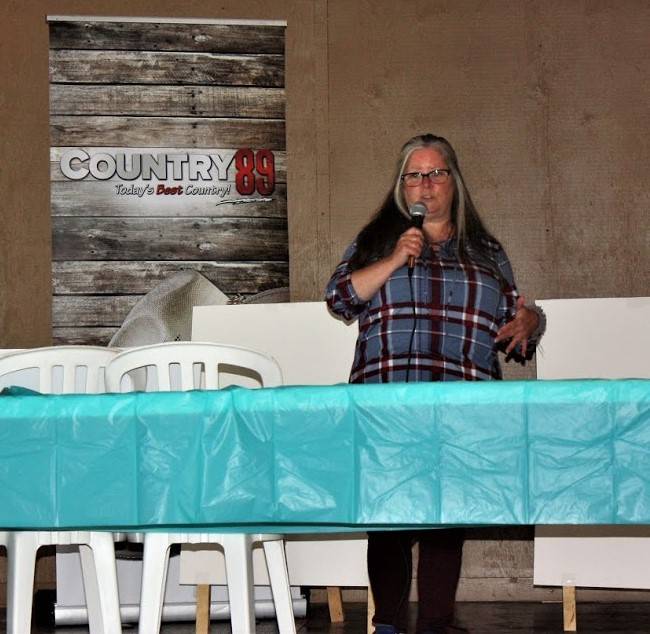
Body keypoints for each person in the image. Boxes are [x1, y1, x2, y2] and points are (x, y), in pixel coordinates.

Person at [325, 133, 544, 634]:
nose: (425, 184)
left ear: (454, 181)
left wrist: (532, 321)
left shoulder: (486, 251)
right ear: (401, 186)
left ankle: (436, 624)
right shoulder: (376, 241)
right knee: (389, 514)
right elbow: (339, 299)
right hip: (387, 398)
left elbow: (516, 321)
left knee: (448, 515)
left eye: (436, 173)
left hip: (463, 402)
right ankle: (388, 624)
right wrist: (394, 258)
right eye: (414, 175)